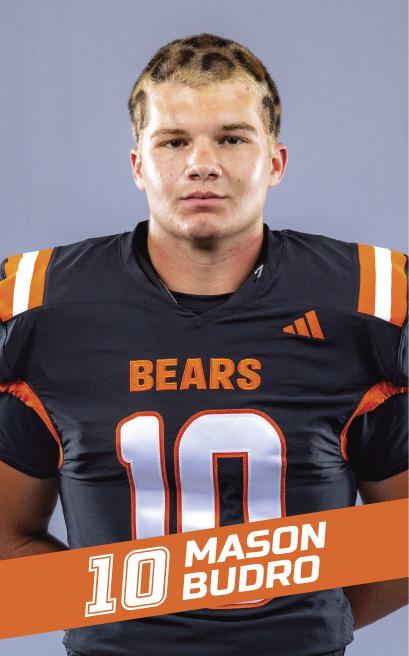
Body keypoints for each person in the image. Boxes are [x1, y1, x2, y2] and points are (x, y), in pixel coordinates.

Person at [0, 32, 407, 656]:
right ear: (138, 164)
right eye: (173, 141)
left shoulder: (365, 302)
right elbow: (7, 535)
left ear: (276, 161)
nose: (202, 164)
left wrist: (311, 626)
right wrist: (113, 617)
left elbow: (402, 540)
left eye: (232, 138)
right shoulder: (45, 305)